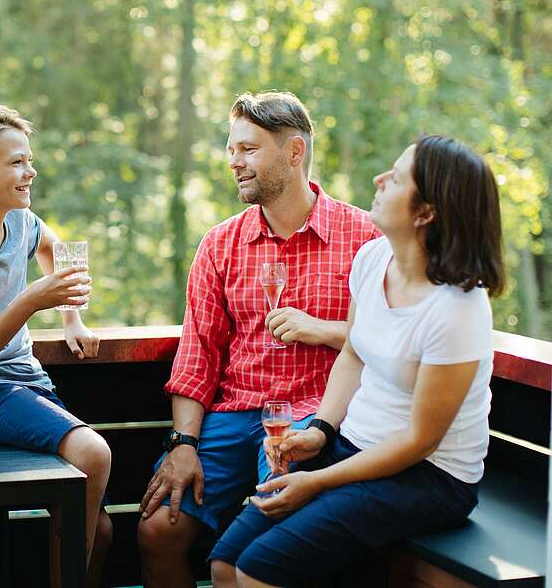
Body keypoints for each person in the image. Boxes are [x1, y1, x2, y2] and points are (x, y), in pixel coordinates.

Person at [209, 135, 505, 588]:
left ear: (426, 213)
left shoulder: (457, 309)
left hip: (429, 477)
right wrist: (319, 431)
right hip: (354, 445)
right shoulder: (372, 259)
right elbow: (351, 354)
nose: (379, 179)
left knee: (258, 571)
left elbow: (420, 441)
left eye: (397, 177)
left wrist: (320, 481)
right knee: (225, 564)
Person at [137, 91, 379, 587]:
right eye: (231, 150)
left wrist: (323, 330)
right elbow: (197, 353)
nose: (234, 163)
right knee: (159, 528)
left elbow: (388, 341)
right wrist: (184, 443)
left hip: (314, 415)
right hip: (232, 415)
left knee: (267, 536)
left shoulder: (365, 238)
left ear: (294, 152)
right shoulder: (219, 243)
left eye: (248, 149)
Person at [0, 105, 112, 587]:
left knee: (101, 530)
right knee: (95, 454)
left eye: (30, 159)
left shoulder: (22, 222)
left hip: (27, 384)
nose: (31, 171)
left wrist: (72, 319)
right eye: (18, 162)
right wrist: (30, 301)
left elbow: (56, 250)